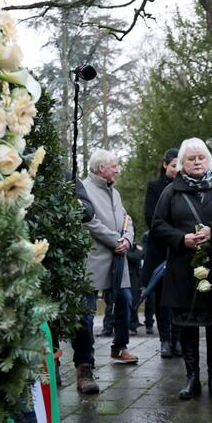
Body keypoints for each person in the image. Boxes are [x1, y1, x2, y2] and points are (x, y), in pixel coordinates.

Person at [152, 138, 212, 400]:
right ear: (182, 164)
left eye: (201, 157)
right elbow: (157, 225)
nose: (197, 162)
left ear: (209, 161)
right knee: (187, 327)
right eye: (191, 158)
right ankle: (192, 379)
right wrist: (181, 239)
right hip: (183, 269)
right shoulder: (171, 192)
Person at [82, 149, 138, 364]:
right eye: (114, 166)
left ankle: (120, 347)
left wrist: (128, 240)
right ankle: (86, 357)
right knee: (87, 311)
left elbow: (127, 219)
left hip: (118, 258)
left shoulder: (114, 192)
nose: (117, 170)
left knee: (125, 300)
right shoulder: (84, 190)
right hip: (94, 259)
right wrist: (116, 241)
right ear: (101, 168)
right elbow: (89, 222)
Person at [143, 148, 180, 357]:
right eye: (173, 165)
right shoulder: (154, 187)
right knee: (162, 297)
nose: (177, 169)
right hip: (160, 250)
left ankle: (178, 338)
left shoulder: (185, 187)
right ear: (165, 165)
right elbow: (150, 216)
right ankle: (165, 339)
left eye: (179, 165)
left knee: (179, 296)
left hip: (181, 248)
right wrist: (172, 234)